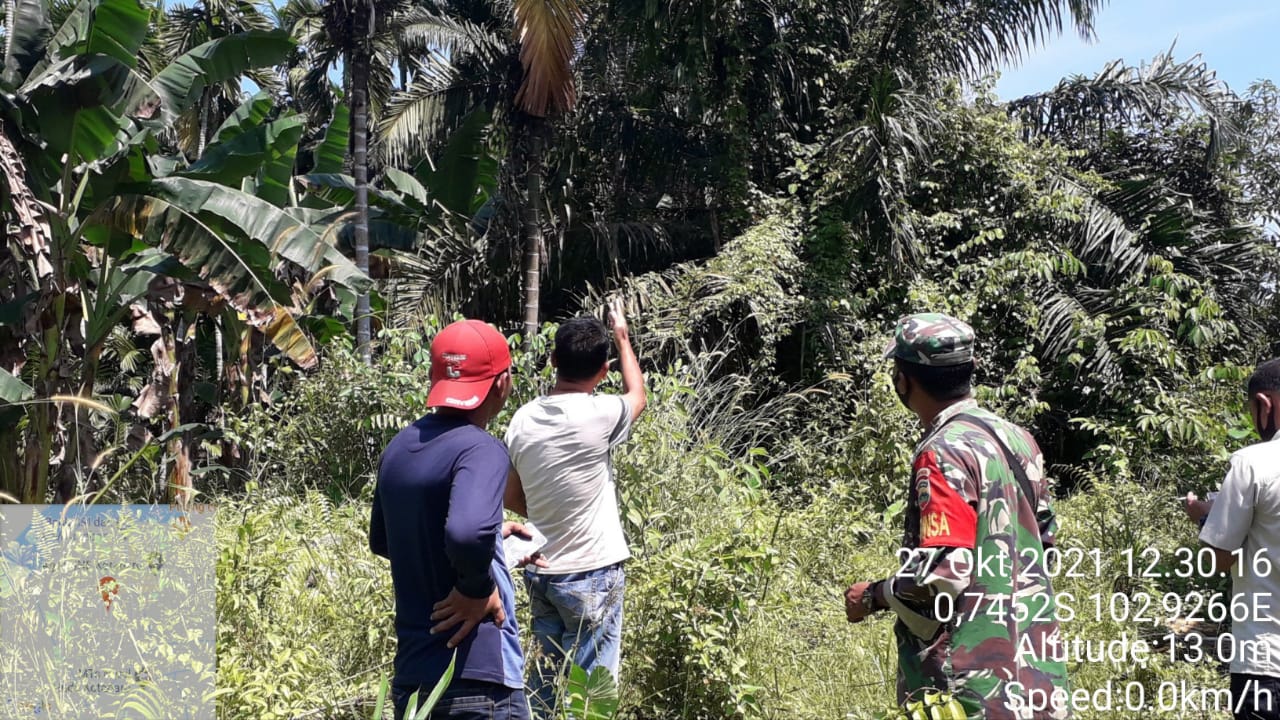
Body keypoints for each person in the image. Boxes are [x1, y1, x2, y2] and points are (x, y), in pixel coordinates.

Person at [844, 313, 1070, 720]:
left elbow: (944, 574)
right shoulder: (1019, 439)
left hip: (969, 685)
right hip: (1036, 671)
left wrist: (874, 595)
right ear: (970, 371)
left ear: (902, 380)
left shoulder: (941, 453)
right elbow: (1046, 544)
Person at [370, 319, 537, 720]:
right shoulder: (481, 449)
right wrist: (476, 588)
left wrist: (494, 541)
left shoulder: (399, 448)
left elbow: (384, 540)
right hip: (476, 683)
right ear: (502, 383)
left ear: (435, 378)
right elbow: (464, 533)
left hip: (414, 681)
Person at [503, 298, 647, 717]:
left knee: (543, 682)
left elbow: (510, 495)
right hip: (593, 573)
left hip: (540, 570)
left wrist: (548, 514)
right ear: (603, 371)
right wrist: (621, 335)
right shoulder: (601, 414)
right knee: (593, 692)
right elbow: (637, 395)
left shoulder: (522, 420)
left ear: (552, 361)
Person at [1184, 358, 1280, 720]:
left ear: (1264, 404)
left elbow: (1219, 558)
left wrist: (1205, 515)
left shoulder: (1253, 463)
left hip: (1265, 661)